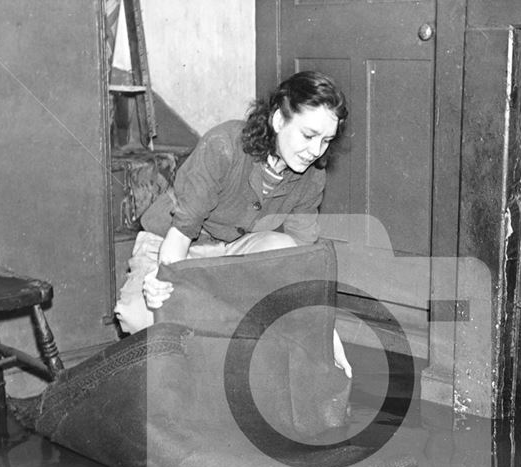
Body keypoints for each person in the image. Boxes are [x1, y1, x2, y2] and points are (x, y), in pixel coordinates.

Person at [113, 70, 352, 376]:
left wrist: (326, 335)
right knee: (137, 316)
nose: (316, 151)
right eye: (308, 135)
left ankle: (219, 348)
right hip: (173, 243)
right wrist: (163, 280)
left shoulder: (312, 177)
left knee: (282, 247)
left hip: (230, 252)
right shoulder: (224, 145)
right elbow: (180, 237)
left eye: (326, 140)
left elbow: (301, 262)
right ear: (279, 120)